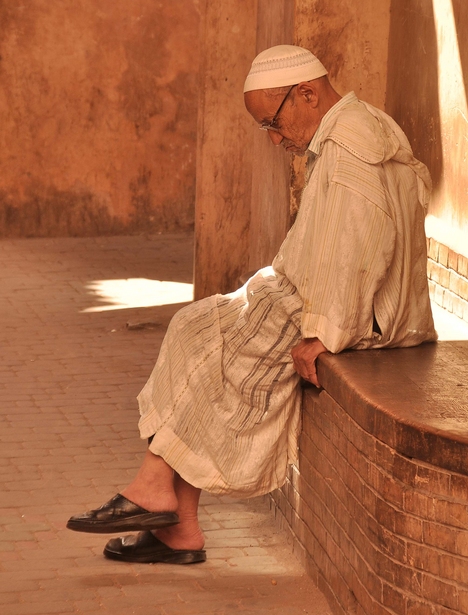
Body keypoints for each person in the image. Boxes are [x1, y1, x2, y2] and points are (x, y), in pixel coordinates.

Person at [67, 45, 436, 563]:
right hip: (326, 298)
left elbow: (357, 247)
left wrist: (325, 334)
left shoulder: (351, 140)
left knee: (208, 345)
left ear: (306, 92)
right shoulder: (352, 125)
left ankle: (156, 494)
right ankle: (176, 524)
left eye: (273, 122)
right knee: (197, 328)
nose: (274, 138)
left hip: (350, 314)